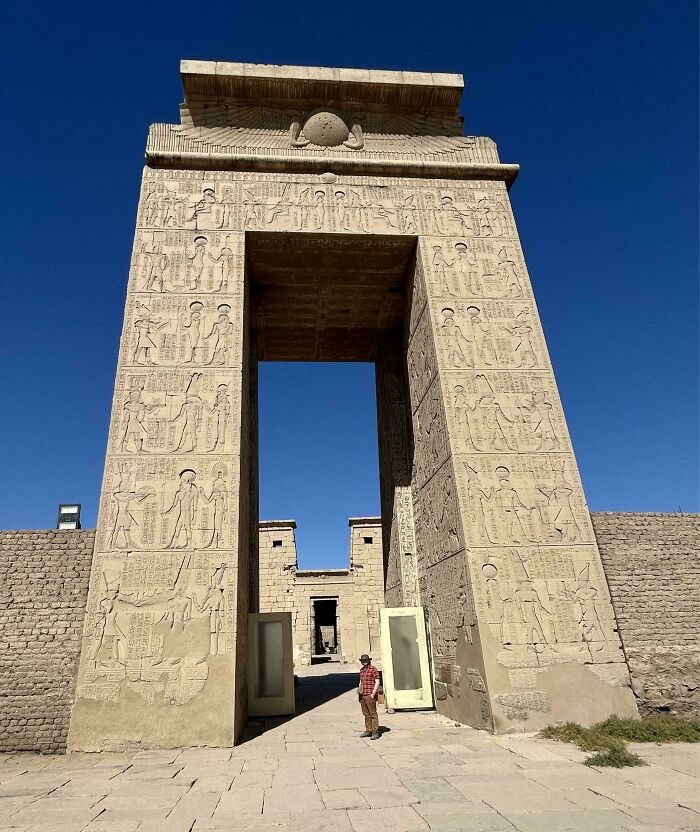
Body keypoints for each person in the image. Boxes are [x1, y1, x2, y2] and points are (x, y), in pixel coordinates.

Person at [358, 654, 380, 740]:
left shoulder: (373, 669)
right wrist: (359, 692)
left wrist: (373, 694)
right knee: (366, 714)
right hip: (363, 695)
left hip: (370, 694)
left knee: (373, 714)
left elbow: (377, 681)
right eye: (363, 660)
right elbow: (361, 682)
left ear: (369, 660)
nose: (364, 662)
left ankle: (375, 731)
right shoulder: (362, 670)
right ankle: (368, 730)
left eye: (366, 660)